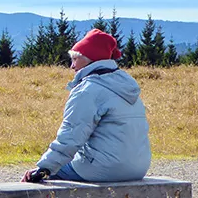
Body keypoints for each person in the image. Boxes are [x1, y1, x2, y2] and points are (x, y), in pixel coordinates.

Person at [22, 29, 151, 184]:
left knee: (37, 180)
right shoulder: (126, 86)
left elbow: (70, 136)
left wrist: (43, 168)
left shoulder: (87, 90)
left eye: (75, 58)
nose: (72, 66)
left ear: (90, 59)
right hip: (139, 167)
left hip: (104, 168)